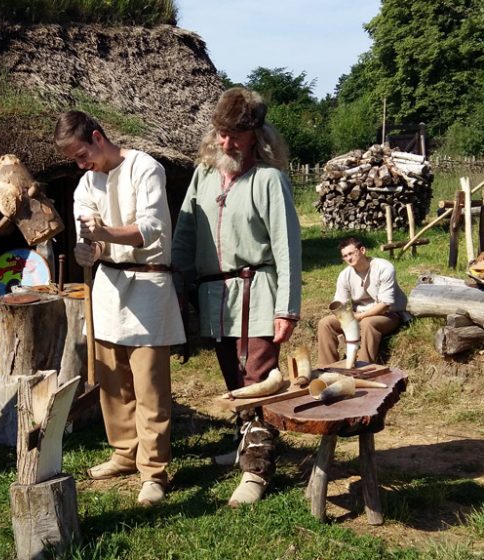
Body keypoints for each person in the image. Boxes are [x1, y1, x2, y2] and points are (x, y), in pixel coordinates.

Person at [171, 87, 302, 507]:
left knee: (260, 380)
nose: (226, 143)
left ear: (255, 135)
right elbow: (185, 233)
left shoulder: (269, 179)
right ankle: (245, 444)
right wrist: (178, 284)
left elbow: (286, 245)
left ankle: (258, 470)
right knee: (234, 378)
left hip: (257, 292)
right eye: (221, 133)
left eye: (236, 135)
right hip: (215, 295)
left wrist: (287, 308)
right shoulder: (204, 175)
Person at [54, 110, 185, 506]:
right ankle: (125, 453)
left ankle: (154, 470)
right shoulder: (86, 182)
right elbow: (92, 236)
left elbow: (151, 229)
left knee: (149, 386)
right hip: (108, 286)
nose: (81, 164)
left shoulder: (146, 168)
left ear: (97, 136)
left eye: (82, 155)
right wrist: (88, 249)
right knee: (112, 382)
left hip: (148, 283)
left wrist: (104, 234)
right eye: (75, 160)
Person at [318, 237, 408, 366]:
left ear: (362, 250)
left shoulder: (384, 267)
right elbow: (340, 302)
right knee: (325, 323)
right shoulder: (345, 275)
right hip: (358, 314)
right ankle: (327, 369)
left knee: (367, 323)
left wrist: (359, 317)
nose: (348, 258)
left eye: (351, 253)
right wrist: (343, 314)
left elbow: (384, 305)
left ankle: (363, 367)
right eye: (345, 256)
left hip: (388, 314)